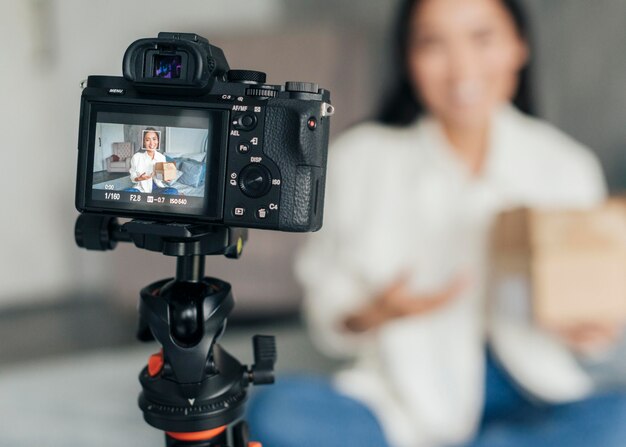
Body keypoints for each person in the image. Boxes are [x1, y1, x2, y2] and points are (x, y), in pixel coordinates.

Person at [247, 0, 626, 446]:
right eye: (433, 43)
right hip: (407, 401)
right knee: (273, 410)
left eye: (482, 38)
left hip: (537, 391)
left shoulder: (565, 165)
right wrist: (378, 311)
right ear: (408, 58)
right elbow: (328, 313)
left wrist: (592, 330)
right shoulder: (361, 159)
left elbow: (596, 319)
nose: (461, 66)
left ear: (519, 47)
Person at [128, 128, 178, 194]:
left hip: (157, 189)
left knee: (173, 191)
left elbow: (161, 177)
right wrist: (139, 178)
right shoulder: (136, 157)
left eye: (154, 139)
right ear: (144, 142)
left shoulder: (162, 157)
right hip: (141, 189)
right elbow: (132, 177)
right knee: (126, 192)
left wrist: (166, 178)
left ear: (158, 141)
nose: (151, 143)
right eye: (147, 140)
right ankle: (154, 201)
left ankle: (148, 201)